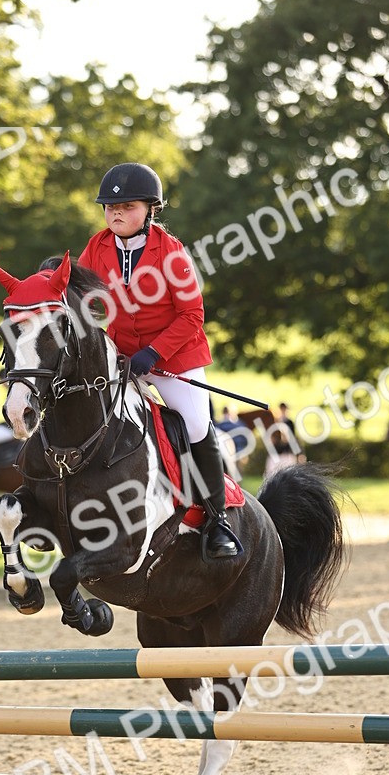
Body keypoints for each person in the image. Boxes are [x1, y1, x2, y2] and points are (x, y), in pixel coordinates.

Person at [78, 162, 241, 560]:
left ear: (151, 209)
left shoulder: (172, 253)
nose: (115, 212)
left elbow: (192, 316)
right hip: (121, 360)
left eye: (127, 205)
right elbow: (80, 297)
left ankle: (217, 520)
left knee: (198, 426)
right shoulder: (95, 248)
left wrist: (153, 353)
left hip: (174, 359)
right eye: (109, 206)